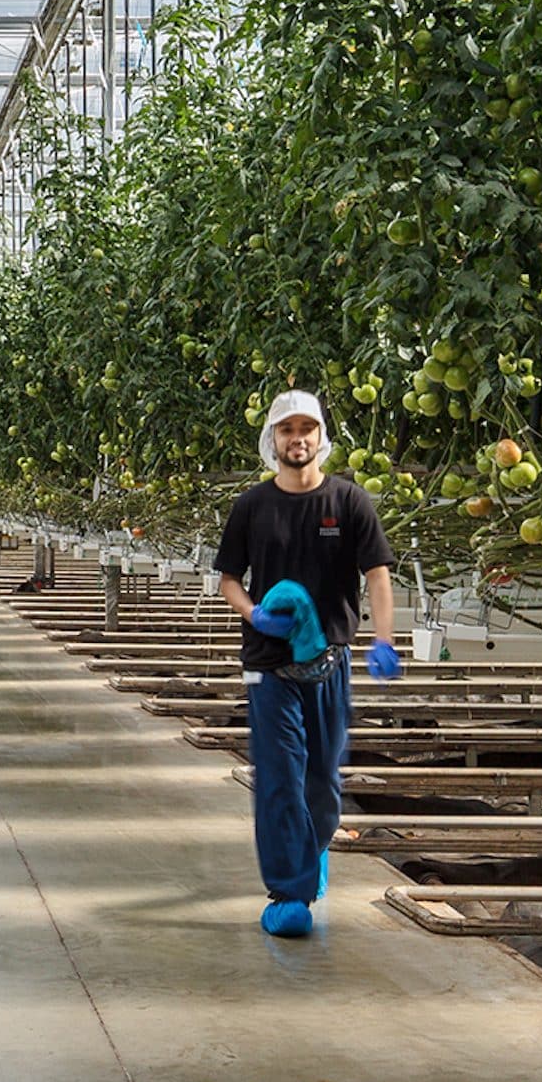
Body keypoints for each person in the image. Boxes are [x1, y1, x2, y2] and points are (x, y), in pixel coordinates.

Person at [213, 388, 399, 940]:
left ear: (321, 438)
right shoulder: (252, 506)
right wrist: (253, 615)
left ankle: (312, 850)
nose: (298, 439)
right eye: (287, 430)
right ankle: (288, 893)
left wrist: (383, 640)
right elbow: (228, 578)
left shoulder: (348, 502)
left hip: (330, 663)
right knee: (279, 780)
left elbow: (378, 575)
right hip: (269, 666)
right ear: (272, 441)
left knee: (321, 782)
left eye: (306, 429)